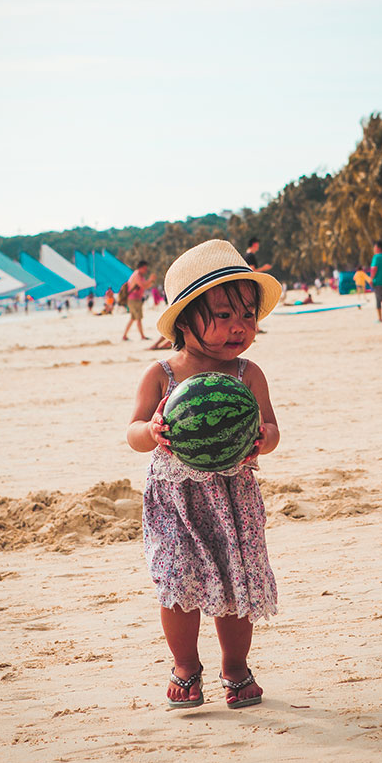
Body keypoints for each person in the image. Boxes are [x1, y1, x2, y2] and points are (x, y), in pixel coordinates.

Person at [127, 240, 281, 710]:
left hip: (233, 497)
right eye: (224, 315)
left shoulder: (247, 373)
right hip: (175, 500)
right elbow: (133, 432)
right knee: (179, 586)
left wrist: (262, 438)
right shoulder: (161, 374)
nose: (241, 326)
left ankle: (235, 669)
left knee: (237, 584)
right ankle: (185, 666)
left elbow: (271, 428)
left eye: (249, 316)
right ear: (185, 319)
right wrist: (152, 430)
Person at [122, 260, 156, 341]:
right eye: (144, 268)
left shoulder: (139, 275)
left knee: (133, 318)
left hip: (134, 299)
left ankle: (125, 335)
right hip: (134, 299)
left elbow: (146, 286)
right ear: (140, 268)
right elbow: (143, 285)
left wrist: (151, 281)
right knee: (138, 318)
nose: (146, 270)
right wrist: (151, 280)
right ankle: (142, 336)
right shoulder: (137, 275)